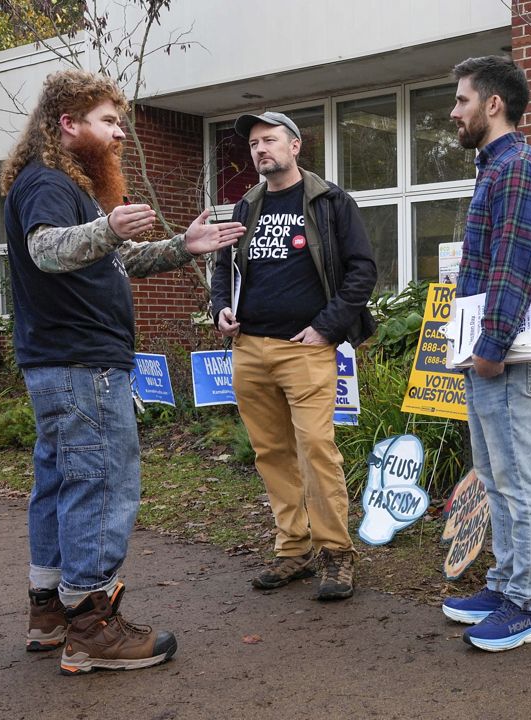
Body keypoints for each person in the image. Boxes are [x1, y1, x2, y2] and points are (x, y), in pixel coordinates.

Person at [0, 68, 245, 674]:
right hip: (82, 365)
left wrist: (182, 248)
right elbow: (47, 250)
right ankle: (93, 626)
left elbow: (119, 259)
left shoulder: (64, 184)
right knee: (100, 483)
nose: (117, 135)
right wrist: (107, 226)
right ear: (68, 123)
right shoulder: (49, 183)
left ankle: (50, 613)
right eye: (108, 122)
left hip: (62, 363)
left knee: (60, 483)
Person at [210, 111, 377, 602]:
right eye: (254, 143)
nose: (260, 149)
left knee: (316, 450)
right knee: (272, 453)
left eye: (270, 140)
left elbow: (362, 271)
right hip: (250, 348)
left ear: (295, 145)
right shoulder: (246, 206)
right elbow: (225, 266)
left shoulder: (329, 201)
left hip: (305, 350)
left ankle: (336, 553)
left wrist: (326, 328)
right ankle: (294, 548)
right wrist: (220, 308)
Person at [440, 56, 531, 652]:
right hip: (489, 356)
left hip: (506, 358)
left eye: (462, 100)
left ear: (493, 104)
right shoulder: (498, 169)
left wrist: (489, 347)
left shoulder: (515, 169)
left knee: (519, 479)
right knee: (496, 477)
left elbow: (513, 268)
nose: (454, 112)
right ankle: (507, 584)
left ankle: (529, 604)